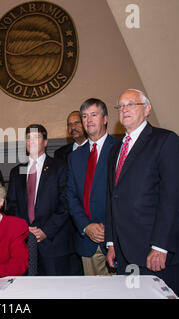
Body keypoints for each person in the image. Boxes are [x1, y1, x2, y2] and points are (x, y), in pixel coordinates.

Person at [105, 89, 179, 298]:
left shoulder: (165, 141)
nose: (124, 109)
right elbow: (112, 198)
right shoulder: (115, 149)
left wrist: (160, 246)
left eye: (131, 104)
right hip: (124, 253)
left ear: (147, 109)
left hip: (156, 252)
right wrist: (111, 242)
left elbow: (173, 197)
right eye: (121, 106)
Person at [7, 124, 80, 276]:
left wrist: (46, 230)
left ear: (45, 142)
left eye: (36, 137)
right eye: (28, 138)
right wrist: (23, 229)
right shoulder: (16, 172)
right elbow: (12, 206)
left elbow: (66, 203)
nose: (31, 141)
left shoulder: (60, 167)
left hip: (54, 243)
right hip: (24, 242)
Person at [66, 98, 117, 275]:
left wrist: (108, 229)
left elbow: (125, 196)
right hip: (88, 240)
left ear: (105, 119)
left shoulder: (120, 149)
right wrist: (86, 226)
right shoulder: (75, 157)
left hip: (117, 238)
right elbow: (71, 196)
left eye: (94, 115)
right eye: (85, 116)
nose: (88, 120)